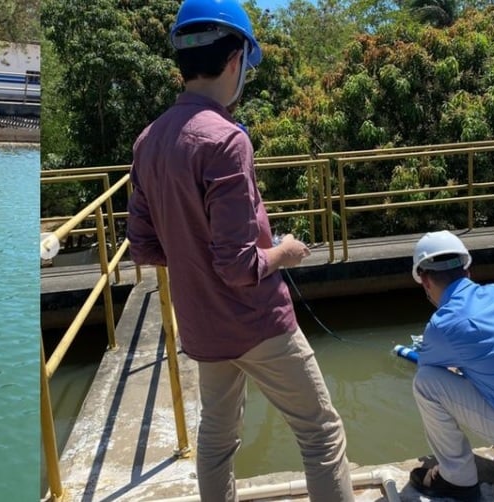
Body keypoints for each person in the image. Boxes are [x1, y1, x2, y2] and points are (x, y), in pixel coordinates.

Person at [126, 0, 354, 500]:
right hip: (257, 322)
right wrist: (286, 251)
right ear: (235, 61)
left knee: (216, 439)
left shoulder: (149, 140)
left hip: (203, 328)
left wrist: (192, 258)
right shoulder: (226, 139)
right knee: (321, 432)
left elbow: (142, 245)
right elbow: (239, 265)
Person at [408, 230, 494, 502]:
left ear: (426, 281)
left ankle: (457, 480)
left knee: (427, 383)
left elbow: (431, 370)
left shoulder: (442, 325)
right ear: (467, 269)